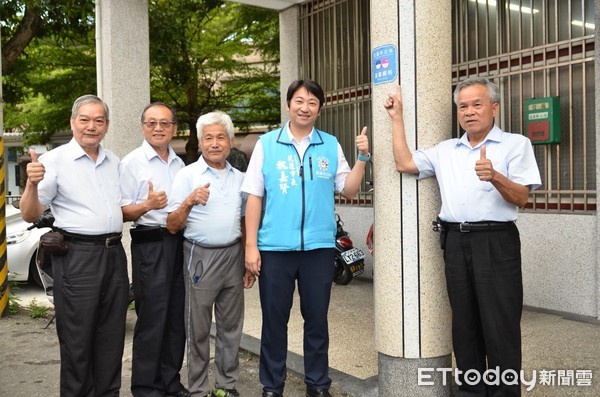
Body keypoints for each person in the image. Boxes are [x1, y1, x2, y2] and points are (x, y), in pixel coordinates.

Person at [385, 76, 541, 397]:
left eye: (477, 104)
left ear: (494, 108)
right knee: (465, 326)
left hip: (496, 241)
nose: (469, 112)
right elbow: (404, 162)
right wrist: (397, 116)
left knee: (499, 327)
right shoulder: (446, 150)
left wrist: (495, 176)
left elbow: (522, 197)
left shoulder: (515, 144)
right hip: (455, 241)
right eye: (462, 106)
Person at [242, 78, 370, 397]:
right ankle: (272, 386)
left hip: (318, 250)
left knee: (317, 322)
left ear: (319, 109)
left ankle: (318, 384)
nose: (305, 107)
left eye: (312, 102)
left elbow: (349, 189)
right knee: (274, 322)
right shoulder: (268, 144)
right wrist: (251, 246)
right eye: (299, 100)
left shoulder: (329, 144)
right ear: (288, 105)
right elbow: (254, 197)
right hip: (275, 250)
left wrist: (363, 158)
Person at [20, 95, 130, 396]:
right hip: (78, 257)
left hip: (114, 254)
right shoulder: (53, 161)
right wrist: (31, 183)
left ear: (106, 125)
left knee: (111, 338)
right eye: (85, 119)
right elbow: (30, 213)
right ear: (72, 122)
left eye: (98, 120)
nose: (91, 126)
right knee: (77, 340)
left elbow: (117, 209)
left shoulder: (113, 161)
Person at [166, 111, 255, 397]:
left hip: (232, 255)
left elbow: (243, 221)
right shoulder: (186, 175)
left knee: (231, 327)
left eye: (220, 137)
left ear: (230, 142)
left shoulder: (241, 178)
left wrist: (245, 259)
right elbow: (172, 225)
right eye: (208, 138)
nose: (215, 143)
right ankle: (198, 389)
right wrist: (190, 201)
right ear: (200, 142)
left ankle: (226, 386)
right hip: (200, 256)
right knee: (198, 328)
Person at [120, 102, 189, 397]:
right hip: (150, 243)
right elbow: (121, 211)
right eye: (152, 123)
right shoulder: (132, 162)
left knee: (176, 316)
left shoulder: (180, 163)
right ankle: (146, 388)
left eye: (164, 123)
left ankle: (170, 382)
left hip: (180, 242)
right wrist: (148, 205)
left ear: (174, 128)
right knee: (151, 317)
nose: (158, 128)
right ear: (142, 126)